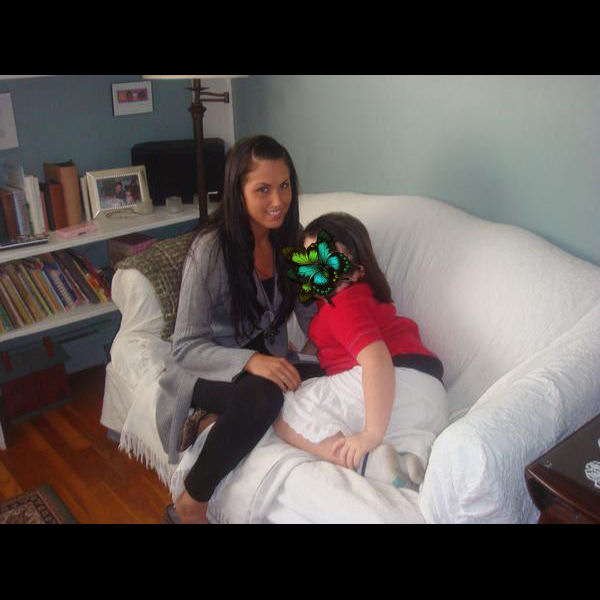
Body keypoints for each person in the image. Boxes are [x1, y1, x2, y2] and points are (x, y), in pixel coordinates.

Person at [155, 135, 325, 524]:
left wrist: (333, 345)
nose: (278, 200)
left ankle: (218, 418)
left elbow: (312, 312)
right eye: (263, 189)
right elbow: (185, 346)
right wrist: (251, 361)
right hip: (203, 370)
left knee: (334, 370)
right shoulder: (209, 249)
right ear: (238, 191)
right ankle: (191, 502)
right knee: (264, 394)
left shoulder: (295, 236)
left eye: (284, 186)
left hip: (269, 364)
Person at [274, 212, 448, 490]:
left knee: (286, 410)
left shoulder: (342, 306)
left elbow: (376, 360)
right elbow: (329, 346)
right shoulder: (358, 298)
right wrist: (299, 355)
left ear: (356, 271)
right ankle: (408, 458)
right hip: (430, 398)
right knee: (391, 428)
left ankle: (364, 461)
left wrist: (370, 434)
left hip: (395, 377)